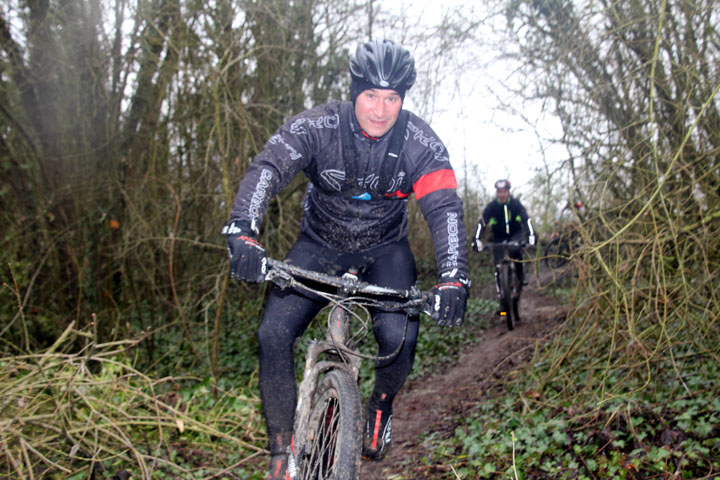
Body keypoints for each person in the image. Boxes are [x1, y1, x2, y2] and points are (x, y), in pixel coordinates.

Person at [222, 39, 469, 479]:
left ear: (402, 100)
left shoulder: (419, 143)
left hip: (386, 251)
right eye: (371, 95)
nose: (380, 109)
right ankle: (282, 447)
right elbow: (269, 167)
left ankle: (379, 407)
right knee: (273, 334)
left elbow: (444, 208)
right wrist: (243, 229)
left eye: (392, 98)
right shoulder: (318, 125)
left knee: (400, 337)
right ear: (354, 91)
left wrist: (454, 277)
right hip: (320, 245)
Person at [471, 179, 535, 305]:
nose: (502, 194)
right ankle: (501, 293)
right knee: (497, 262)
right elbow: (482, 222)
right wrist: (476, 239)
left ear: (508, 192)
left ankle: (520, 276)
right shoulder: (492, 206)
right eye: (499, 192)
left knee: (515, 249)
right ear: (497, 193)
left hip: (516, 234)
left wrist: (531, 234)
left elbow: (526, 219)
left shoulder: (516, 204)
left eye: (504, 192)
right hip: (499, 237)